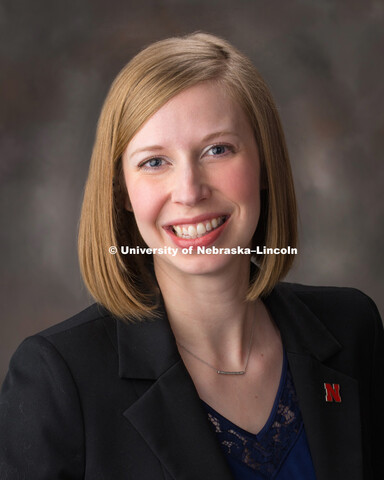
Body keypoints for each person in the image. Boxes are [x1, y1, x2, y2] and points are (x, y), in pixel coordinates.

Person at [0, 32, 383, 480]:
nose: (190, 191)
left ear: (264, 162)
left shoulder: (353, 330)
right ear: (122, 192)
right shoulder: (58, 377)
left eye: (217, 150)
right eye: (154, 162)